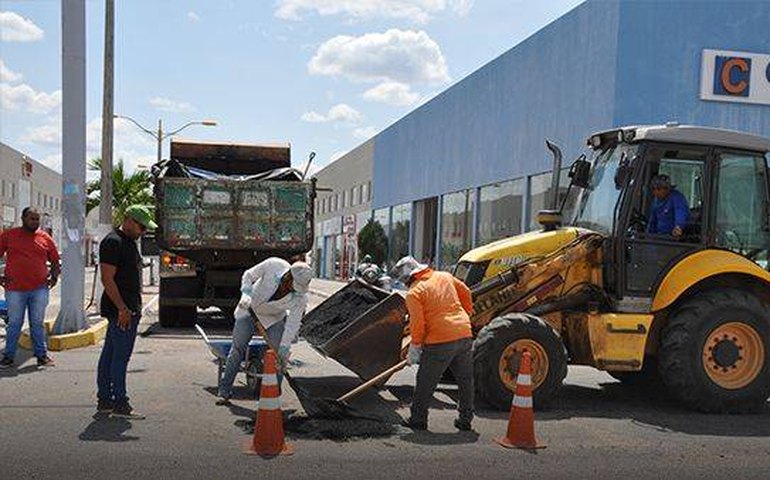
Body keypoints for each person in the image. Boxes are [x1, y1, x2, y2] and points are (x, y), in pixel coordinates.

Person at [392, 255, 475, 432]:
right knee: (465, 380)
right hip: (464, 333)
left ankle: (418, 419)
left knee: (426, 380)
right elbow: (466, 292)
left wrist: (415, 348)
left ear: (408, 279)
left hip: (440, 340)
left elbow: (418, 325)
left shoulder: (414, 293)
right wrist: (465, 315)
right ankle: (465, 419)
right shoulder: (444, 276)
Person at [217, 257, 312, 403]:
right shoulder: (273, 265)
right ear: (288, 276)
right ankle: (224, 391)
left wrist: (284, 348)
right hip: (249, 310)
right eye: (294, 285)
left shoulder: (300, 298)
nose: (294, 290)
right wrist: (246, 293)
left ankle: (274, 397)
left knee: (278, 357)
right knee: (237, 349)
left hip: (273, 319)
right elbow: (248, 275)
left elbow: (292, 324)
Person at [96, 205, 156, 419]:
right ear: (129, 220)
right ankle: (119, 403)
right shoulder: (113, 242)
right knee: (120, 357)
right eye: (141, 226)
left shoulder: (129, 242)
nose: (143, 231)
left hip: (127, 308)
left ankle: (105, 400)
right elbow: (107, 278)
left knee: (110, 354)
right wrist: (122, 308)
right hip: (122, 310)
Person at [0, 207, 60, 368]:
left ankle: (41, 356)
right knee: (14, 323)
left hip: (39, 289)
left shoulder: (44, 238)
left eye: (37, 219)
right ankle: (8, 357)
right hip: (14, 289)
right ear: (23, 219)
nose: (35, 222)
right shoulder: (9, 236)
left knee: (37, 323)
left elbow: (55, 259)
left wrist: (54, 276)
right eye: (32, 219)